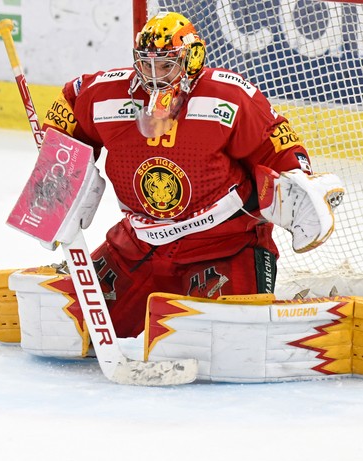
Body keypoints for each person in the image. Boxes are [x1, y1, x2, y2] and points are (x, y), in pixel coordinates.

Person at [39, 11, 344, 339]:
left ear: (191, 59)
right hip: (137, 245)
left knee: (230, 343)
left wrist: (299, 178)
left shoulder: (227, 97)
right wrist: (61, 163)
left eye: (166, 65)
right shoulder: (109, 93)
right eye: (146, 63)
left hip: (224, 244)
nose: (154, 76)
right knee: (64, 328)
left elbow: (278, 142)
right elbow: (71, 100)